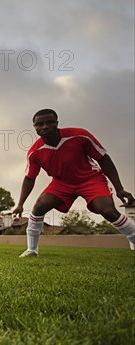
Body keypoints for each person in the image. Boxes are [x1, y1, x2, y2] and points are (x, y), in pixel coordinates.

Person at [12, 108, 135, 257]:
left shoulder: (80, 135)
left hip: (90, 179)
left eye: (49, 122)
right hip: (61, 183)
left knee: (107, 210)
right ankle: (32, 250)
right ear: (35, 127)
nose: (44, 127)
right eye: (40, 124)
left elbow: (103, 158)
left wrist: (119, 189)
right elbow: (30, 178)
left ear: (57, 123)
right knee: (38, 207)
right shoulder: (35, 152)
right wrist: (20, 204)